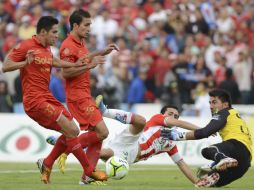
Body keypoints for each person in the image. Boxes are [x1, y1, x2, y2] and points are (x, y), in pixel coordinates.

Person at [2, 16, 105, 185]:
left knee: (72, 130)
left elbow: (56, 62)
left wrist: (82, 65)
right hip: (35, 101)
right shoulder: (27, 46)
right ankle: (89, 171)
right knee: (70, 131)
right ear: (43, 32)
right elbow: (6, 66)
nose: (57, 36)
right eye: (54, 32)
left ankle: (47, 163)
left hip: (47, 97)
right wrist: (24, 63)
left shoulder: (48, 49)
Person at [47, 95, 202, 185]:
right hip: (132, 140)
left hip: (131, 156)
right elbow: (178, 124)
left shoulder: (170, 144)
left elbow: (181, 164)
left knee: (101, 153)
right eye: (170, 113)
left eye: (176, 115)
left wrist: (197, 182)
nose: (173, 117)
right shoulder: (158, 119)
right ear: (163, 114)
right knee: (140, 121)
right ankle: (105, 111)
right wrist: (200, 130)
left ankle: (66, 145)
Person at [58, 9, 119, 182]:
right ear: (75, 25)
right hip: (78, 97)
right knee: (103, 132)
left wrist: (100, 52)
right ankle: (66, 148)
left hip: (85, 94)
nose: (89, 28)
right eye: (86, 25)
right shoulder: (68, 46)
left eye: (90, 24)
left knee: (97, 138)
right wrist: (91, 65)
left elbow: (83, 59)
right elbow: (66, 73)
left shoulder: (80, 43)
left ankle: (87, 176)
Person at [161, 89, 252, 187]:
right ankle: (217, 165)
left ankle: (222, 159)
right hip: (245, 162)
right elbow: (206, 130)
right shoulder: (234, 115)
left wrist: (177, 136)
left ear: (225, 105)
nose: (211, 106)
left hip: (236, 146)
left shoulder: (224, 113)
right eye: (210, 103)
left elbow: (204, 132)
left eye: (214, 103)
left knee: (207, 151)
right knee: (209, 183)